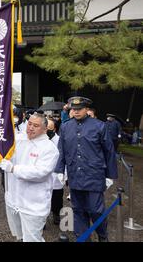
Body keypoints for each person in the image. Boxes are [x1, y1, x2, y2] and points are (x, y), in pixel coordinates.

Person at [55, 97, 117, 242]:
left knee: (96, 210)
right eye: (73, 109)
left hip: (94, 175)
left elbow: (109, 151)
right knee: (78, 210)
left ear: (87, 109)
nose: (76, 112)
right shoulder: (65, 127)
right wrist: (60, 170)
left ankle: (103, 236)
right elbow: (62, 150)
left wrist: (110, 175)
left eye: (79, 109)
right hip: (74, 174)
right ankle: (83, 238)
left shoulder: (99, 126)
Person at [0, 113, 59, 242]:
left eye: (36, 126)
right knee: (19, 236)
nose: (31, 128)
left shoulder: (49, 149)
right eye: (30, 124)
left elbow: (40, 173)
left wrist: (14, 169)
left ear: (44, 129)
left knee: (32, 239)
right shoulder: (19, 139)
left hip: (33, 205)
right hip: (14, 200)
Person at [47, 118, 64, 225]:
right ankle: (42, 218)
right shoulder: (41, 140)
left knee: (57, 197)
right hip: (44, 174)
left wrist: (64, 174)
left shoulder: (60, 141)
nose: (47, 131)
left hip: (56, 174)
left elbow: (64, 157)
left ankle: (56, 214)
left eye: (49, 128)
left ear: (54, 129)